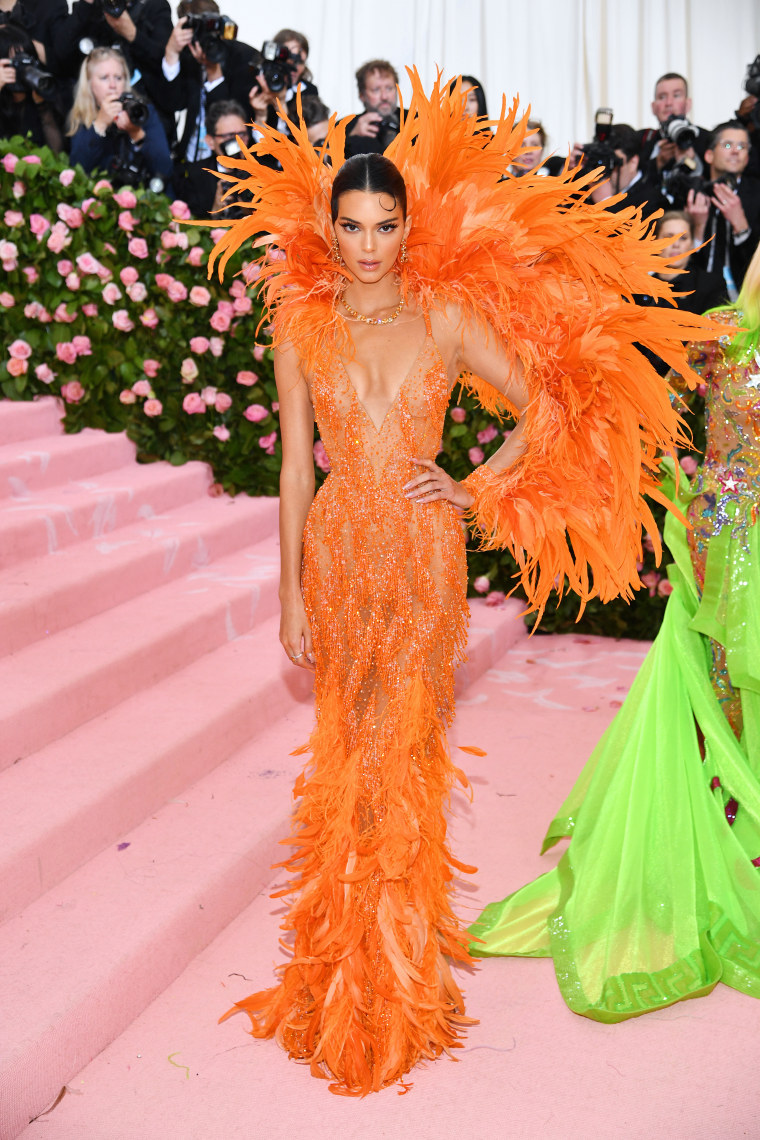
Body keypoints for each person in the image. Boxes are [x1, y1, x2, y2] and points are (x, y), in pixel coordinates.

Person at [205, 72, 719, 1095]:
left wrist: (472, 486)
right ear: (330, 226)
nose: (365, 244)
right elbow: (292, 465)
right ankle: (337, 979)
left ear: (405, 226)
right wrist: (288, 597)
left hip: (426, 553)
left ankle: (394, 988)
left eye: (383, 224)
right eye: (350, 225)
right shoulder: (299, 328)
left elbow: (544, 398)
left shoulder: (441, 317)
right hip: (342, 550)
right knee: (346, 756)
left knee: (404, 756)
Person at [470, 242, 760, 1023]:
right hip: (725, 547)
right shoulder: (721, 332)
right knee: (722, 687)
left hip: (732, 539)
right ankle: (720, 857)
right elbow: (637, 399)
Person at [68, 45, 172, 190]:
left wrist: (136, 133)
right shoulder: (83, 115)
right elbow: (78, 171)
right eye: (104, 78)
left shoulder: (143, 112)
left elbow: (164, 169)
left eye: (118, 78)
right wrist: (100, 125)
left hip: (144, 197)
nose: (113, 85)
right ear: (90, 84)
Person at [684, 120, 760, 302]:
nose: (736, 151)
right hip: (698, 300)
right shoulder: (693, 195)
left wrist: (741, 227)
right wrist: (698, 229)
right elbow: (677, 263)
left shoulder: (757, 194)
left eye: (742, 147)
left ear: (747, 158)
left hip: (747, 299)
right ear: (709, 155)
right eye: (727, 145)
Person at [175, 97, 248, 216]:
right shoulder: (195, 176)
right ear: (210, 141)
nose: (238, 142)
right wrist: (215, 212)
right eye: (229, 136)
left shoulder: (263, 170)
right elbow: (191, 225)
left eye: (241, 134)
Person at [0, 21, 65, 151]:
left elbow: (57, 154)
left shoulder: (43, 88)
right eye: (15, 62)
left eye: (26, 59)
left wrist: (42, 107)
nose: (22, 69)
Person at [344, 58, 400, 158]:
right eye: (376, 90)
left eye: (389, 88)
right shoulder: (345, 127)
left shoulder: (417, 120)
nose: (384, 96)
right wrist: (353, 138)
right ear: (362, 95)